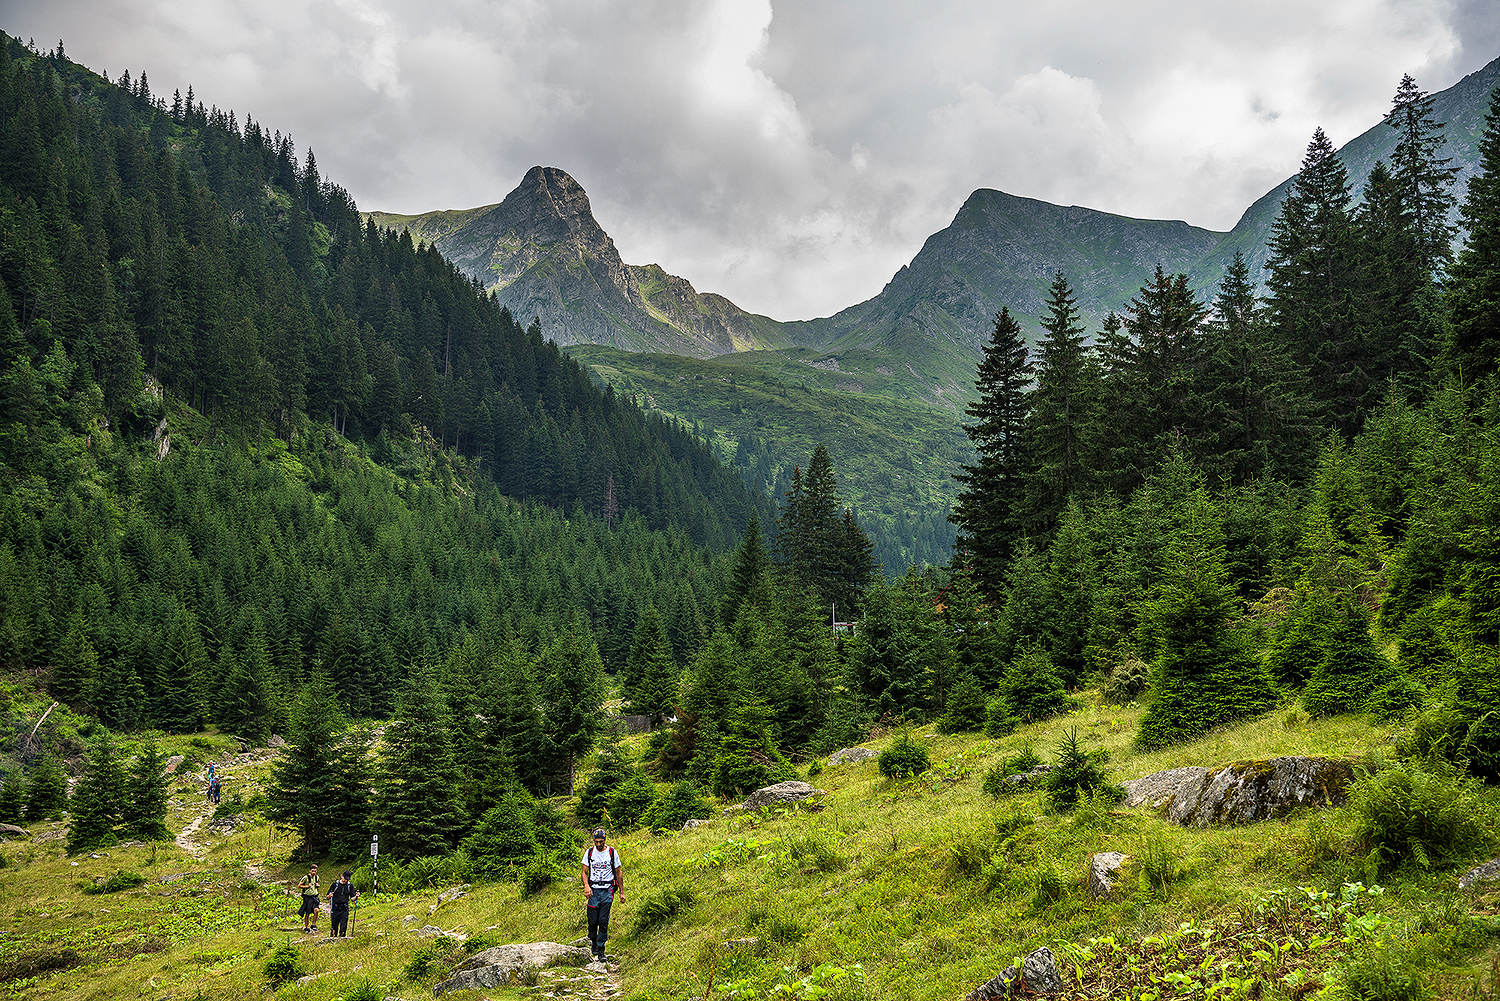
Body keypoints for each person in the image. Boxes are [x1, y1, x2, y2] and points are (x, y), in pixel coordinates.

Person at [580, 828, 623, 963]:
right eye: (596, 841)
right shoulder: (590, 852)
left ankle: (601, 949)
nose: (598, 844)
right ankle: (593, 940)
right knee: (593, 921)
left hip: (607, 890)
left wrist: (621, 892)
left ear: (605, 840)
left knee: (603, 921)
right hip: (593, 891)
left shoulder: (612, 852)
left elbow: (618, 872)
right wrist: (586, 886)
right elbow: (584, 872)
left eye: (601, 842)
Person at [327, 870, 359, 937]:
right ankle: (333, 939)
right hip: (335, 908)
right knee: (334, 928)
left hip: (344, 908)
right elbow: (327, 896)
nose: (346, 880)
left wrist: (356, 896)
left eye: (347, 879)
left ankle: (342, 938)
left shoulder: (350, 886)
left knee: (343, 927)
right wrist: (330, 896)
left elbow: (352, 899)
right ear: (342, 876)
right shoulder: (335, 884)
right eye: (345, 878)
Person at [297, 864, 320, 933]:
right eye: (312, 871)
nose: (314, 872)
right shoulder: (306, 878)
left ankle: (313, 925)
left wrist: (318, 885)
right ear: (310, 870)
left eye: (315, 871)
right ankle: (306, 927)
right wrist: (307, 886)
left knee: (316, 910)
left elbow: (318, 884)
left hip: (315, 896)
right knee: (308, 912)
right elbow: (299, 886)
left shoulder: (317, 877)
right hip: (307, 897)